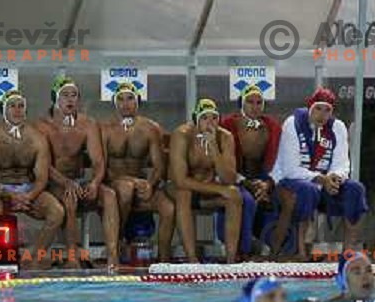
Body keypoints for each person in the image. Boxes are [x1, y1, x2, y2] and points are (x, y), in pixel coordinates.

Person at [271, 87, 368, 260]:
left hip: (324, 184)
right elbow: (290, 169)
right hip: (292, 181)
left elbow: (342, 163)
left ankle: (348, 252)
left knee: (355, 189)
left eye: (327, 110)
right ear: (310, 108)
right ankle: (301, 252)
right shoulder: (293, 124)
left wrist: (335, 178)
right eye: (318, 109)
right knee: (308, 189)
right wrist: (322, 179)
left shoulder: (337, 127)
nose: (322, 115)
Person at [36, 76, 119, 269]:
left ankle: (113, 257)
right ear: (55, 98)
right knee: (69, 197)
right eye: (65, 95)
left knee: (109, 195)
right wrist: (65, 183)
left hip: (79, 181)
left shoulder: (88, 124)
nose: (70, 100)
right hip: (52, 184)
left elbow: (98, 161)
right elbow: (43, 165)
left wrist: (95, 183)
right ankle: (72, 257)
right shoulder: (42, 126)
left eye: (74, 95)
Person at [0, 89, 66, 269]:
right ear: (3, 109)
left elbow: (42, 177)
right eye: (12, 106)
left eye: (21, 106)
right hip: (1, 190)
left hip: (29, 189)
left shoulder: (37, 139)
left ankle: (32, 257)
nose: (17, 110)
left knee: (57, 212)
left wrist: (29, 196)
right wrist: (9, 196)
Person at [100, 82, 175, 262]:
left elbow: (158, 166)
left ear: (138, 101)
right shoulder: (105, 129)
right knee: (125, 189)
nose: (125, 103)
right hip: (114, 185)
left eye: (130, 98)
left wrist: (151, 184)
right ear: (115, 102)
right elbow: (100, 167)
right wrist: (129, 180)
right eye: (121, 99)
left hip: (141, 186)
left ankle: (163, 258)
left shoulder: (150, 129)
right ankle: (116, 245)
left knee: (169, 208)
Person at [168, 98, 250, 264]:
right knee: (184, 194)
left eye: (214, 118)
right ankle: (192, 258)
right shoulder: (182, 135)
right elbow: (180, 180)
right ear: (195, 119)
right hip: (181, 189)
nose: (210, 123)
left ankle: (231, 259)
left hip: (207, 192)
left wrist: (213, 147)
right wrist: (219, 190)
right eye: (205, 118)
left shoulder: (225, 137)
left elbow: (229, 178)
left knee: (234, 195)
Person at [220, 85, 292, 257]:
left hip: (262, 179)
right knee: (247, 201)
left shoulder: (272, 127)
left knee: (276, 198)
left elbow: (281, 162)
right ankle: (243, 250)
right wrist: (244, 182)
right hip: (234, 178)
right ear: (241, 104)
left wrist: (267, 184)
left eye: (259, 102)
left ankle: (273, 249)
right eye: (250, 102)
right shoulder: (228, 125)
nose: (255, 106)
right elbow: (224, 164)